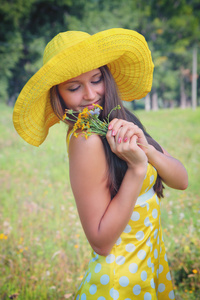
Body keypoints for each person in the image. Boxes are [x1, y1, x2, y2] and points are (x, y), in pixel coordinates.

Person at [13, 28, 188, 300]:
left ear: (106, 75)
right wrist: (137, 170)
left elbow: (181, 181)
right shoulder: (87, 141)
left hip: (149, 268)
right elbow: (101, 242)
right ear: (57, 95)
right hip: (120, 283)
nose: (90, 94)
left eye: (96, 79)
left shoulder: (121, 119)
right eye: (73, 87)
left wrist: (147, 151)